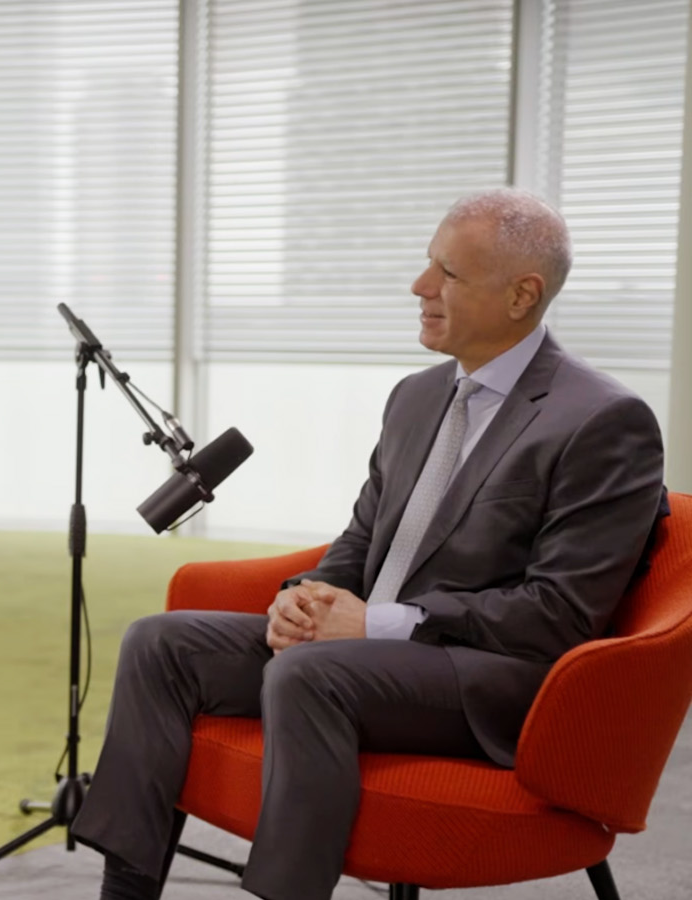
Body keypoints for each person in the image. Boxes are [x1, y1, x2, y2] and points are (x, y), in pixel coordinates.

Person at [70, 189, 667, 900]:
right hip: (373, 652)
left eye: (447, 273)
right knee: (160, 643)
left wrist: (378, 624)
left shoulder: (602, 421)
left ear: (522, 295)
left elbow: (558, 614)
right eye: (427, 266)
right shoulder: (415, 397)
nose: (421, 288)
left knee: (311, 675)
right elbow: (362, 541)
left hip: (492, 679)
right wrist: (305, 598)